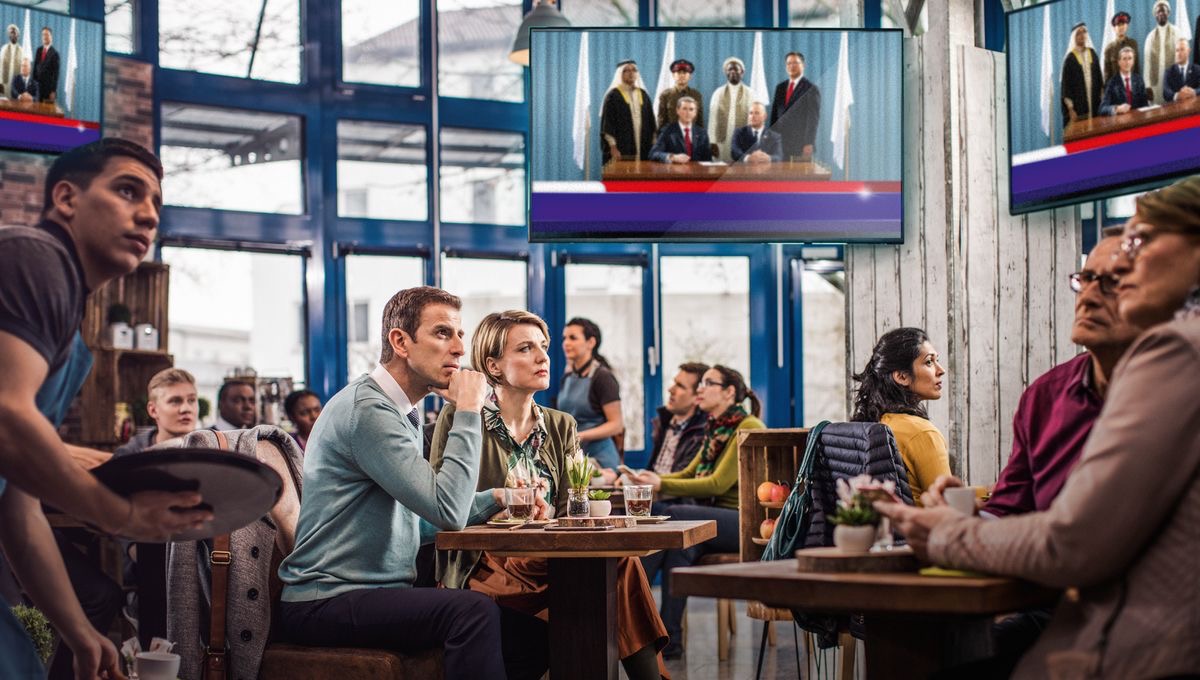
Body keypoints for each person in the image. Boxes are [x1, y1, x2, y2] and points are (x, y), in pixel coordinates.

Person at [877, 175, 1200, 679]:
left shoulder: (1175, 351)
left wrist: (946, 535)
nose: (1093, 292)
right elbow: (1017, 510)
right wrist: (963, 512)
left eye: (1138, 245)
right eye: (1085, 278)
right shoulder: (1045, 396)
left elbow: (1075, 544)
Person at [0, 138, 211, 678]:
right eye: (127, 190)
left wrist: (79, 632)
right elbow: (5, 420)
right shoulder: (34, 256)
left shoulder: (72, 343)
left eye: (156, 204)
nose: (147, 214)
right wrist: (118, 514)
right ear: (67, 198)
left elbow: (19, 510)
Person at [278, 286, 547, 680]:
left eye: (460, 335)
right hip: (325, 602)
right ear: (400, 341)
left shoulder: (398, 410)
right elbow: (449, 513)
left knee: (534, 640)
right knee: (471, 611)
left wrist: (501, 498)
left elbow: (415, 523)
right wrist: (468, 410)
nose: (459, 348)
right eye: (443, 333)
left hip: (368, 595)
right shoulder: (368, 412)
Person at [431, 310, 668, 680]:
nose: (543, 357)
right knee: (615, 572)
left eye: (543, 346)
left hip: (550, 556)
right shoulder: (461, 417)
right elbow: (440, 505)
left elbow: (573, 506)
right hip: (488, 562)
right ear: (493, 365)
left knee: (617, 564)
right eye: (526, 348)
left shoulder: (562, 424)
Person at [630, 365, 764, 659]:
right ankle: (667, 640)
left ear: (729, 392)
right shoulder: (717, 426)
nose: (700, 389)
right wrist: (652, 481)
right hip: (716, 520)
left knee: (673, 516)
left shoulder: (748, 425)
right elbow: (691, 473)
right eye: (700, 383)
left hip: (745, 522)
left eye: (708, 383)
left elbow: (718, 483)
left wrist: (661, 483)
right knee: (680, 546)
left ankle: (625, 602)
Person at [850, 327, 950, 501]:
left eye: (937, 360)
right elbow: (949, 501)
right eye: (929, 362)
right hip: (923, 526)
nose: (940, 370)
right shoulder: (922, 433)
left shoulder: (878, 422)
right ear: (902, 377)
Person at [557, 317, 623, 470]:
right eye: (564, 338)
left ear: (591, 343)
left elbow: (616, 425)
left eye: (573, 338)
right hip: (576, 456)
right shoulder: (567, 377)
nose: (566, 343)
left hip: (601, 462)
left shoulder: (603, 377)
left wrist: (581, 435)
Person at [114, 367, 199, 456]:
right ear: (153, 410)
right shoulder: (130, 455)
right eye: (175, 401)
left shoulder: (212, 450)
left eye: (191, 400)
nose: (186, 409)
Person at [646, 362, 710, 478]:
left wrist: (641, 480)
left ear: (697, 397)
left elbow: (684, 478)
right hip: (654, 491)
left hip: (674, 493)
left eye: (680, 386)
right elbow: (653, 471)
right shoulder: (663, 422)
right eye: (674, 383)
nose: (670, 389)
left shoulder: (704, 432)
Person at [599, 60, 656, 165]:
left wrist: (654, 144)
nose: (631, 73)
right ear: (620, 74)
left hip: (644, 146)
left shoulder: (643, 95)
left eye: (634, 70)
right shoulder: (613, 96)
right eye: (627, 70)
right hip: (622, 148)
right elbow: (608, 125)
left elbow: (651, 122)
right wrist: (613, 147)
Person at [770, 51, 821, 161]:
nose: (791, 66)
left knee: (799, 177)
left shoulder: (811, 89)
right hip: (780, 144)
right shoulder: (780, 88)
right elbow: (774, 116)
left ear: (803, 65)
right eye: (789, 63)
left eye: (795, 63)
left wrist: (809, 143)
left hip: (800, 145)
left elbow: (813, 119)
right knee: (779, 177)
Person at [708, 57, 753, 162]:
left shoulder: (750, 93)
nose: (733, 72)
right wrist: (712, 141)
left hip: (742, 138)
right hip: (721, 140)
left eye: (736, 69)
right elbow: (712, 118)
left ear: (742, 72)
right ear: (726, 72)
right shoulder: (718, 93)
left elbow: (753, 119)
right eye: (729, 69)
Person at [1060, 23, 1104, 128]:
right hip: (1078, 109)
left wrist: (1103, 102)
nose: (1082, 35)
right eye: (1078, 33)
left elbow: (1100, 80)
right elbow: (1066, 88)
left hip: (1095, 105)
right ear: (1074, 37)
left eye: (1084, 32)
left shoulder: (1093, 54)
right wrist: (1071, 110)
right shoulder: (1069, 59)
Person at [649, 96, 712, 164]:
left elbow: (708, 160)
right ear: (677, 110)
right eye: (684, 109)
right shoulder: (667, 131)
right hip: (675, 172)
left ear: (695, 113)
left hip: (697, 172)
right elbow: (653, 154)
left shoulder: (702, 132)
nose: (688, 113)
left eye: (691, 109)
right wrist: (672, 157)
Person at [1144, 0, 1180, 104]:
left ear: (1168, 13)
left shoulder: (1176, 32)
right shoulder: (1150, 37)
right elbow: (1147, 63)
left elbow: (1182, 58)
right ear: (1155, 15)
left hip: (1172, 78)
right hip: (1156, 80)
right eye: (1158, 12)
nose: (1161, 14)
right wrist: (1147, 86)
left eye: (1163, 11)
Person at [1099, 46, 1150, 115]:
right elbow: (1102, 108)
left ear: (1133, 61)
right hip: (1121, 122)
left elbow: (1145, 105)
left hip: (1138, 119)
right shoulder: (1112, 83)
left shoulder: (1139, 80)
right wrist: (1117, 108)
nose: (1127, 62)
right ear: (1119, 62)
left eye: (1130, 58)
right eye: (1124, 59)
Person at [656, 58, 704, 130]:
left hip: (692, 136)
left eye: (685, 73)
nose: (681, 75)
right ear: (673, 75)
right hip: (671, 137)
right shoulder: (666, 95)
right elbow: (661, 120)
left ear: (690, 76)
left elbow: (700, 121)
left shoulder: (696, 95)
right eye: (678, 73)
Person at [1102, 11, 1139, 85]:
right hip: (1115, 88)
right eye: (1118, 25)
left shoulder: (1133, 44)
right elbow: (1107, 74)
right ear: (1114, 28)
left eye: (1123, 24)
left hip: (1132, 86)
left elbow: (1137, 69)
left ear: (1127, 26)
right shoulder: (1109, 49)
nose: (1121, 27)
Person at [1162, 38, 1200, 102]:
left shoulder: (1197, 69)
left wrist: (1194, 92)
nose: (1179, 53)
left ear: (1188, 51)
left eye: (1182, 50)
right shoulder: (1168, 72)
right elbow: (1166, 92)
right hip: (1176, 108)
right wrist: (1178, 95)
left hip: (1194, 107)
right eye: (1177, 50)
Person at [33, 26, 57, 104]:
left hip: (48, 91)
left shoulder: (55, 54)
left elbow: (55, 75)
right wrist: (33, 85)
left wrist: (53, 91)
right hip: (37, 88)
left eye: (47, 34)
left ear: (51, 37)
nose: (45, 37)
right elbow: (35, 69)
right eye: (43, 34)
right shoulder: (38, 50)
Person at [0, 24, 21, 98]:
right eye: (11, 33)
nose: (12, 35)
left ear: (18, 35)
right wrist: (0, 82)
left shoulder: (22, 50)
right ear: (9, 35)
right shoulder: (4, 49)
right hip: (5, 81)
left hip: (16, 82)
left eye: (14, 32)